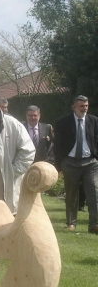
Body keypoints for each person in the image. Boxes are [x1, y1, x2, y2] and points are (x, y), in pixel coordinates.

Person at [54, 95, 98, 234]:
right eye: (81, 106)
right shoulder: (63, 122)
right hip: (70, 162)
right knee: (71, 194)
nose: (84, 108)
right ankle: (71, 223)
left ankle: (94, 225)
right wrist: (59, 164)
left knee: (94, 193)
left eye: (86, 105)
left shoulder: (94, 121)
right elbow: (58, 145)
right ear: (74, 107)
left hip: (90, 162)